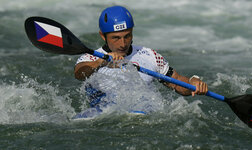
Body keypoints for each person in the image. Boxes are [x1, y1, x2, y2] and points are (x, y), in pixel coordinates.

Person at [74, 6, 208, 111]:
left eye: (127, 36)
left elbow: (177, 82)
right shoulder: (90, 57)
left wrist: (192, 83)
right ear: (103, 36)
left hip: (144, 115)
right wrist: (101, 62)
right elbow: (79, 73)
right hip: (104, 116)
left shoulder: (150, 55)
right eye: (116, 38)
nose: (123, 43)